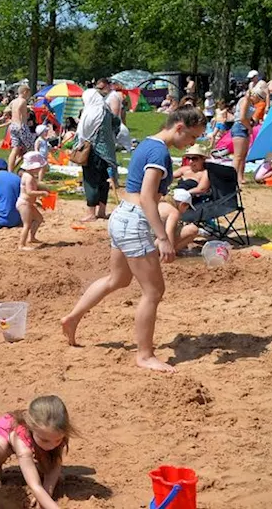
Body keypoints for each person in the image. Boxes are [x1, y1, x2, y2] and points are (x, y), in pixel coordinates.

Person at [61, 107, 207, 373]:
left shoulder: (149, 144)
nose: (191, 144)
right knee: (153, 292)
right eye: (192, 137)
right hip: (134, 221)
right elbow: (147, 198)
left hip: (123, 217)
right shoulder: (159, 152)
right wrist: (162, 237)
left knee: (117, 280)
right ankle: (145, 355)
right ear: (179, 127)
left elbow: (140, 192)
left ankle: (73, 317)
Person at [0, 395, 76, 509]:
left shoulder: (57, 432)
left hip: (33, 442)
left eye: (58, 440)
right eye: (45, 440)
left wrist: (46, 493)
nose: (52, 445)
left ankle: (41, 462)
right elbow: (35, 485)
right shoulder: (22, 440)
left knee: (49, 465)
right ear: (31, 428)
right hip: (2, 437)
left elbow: (56, 463)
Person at [78, 87, 119, 222]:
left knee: (91, 181)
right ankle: (102, 211)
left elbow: (83, 134)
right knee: (104, 181)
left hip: (92, 152)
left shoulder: (90, 112)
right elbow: (117, 123)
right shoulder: (105, 110)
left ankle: (91, 213)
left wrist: (78, 145)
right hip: (107, 152)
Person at [17, 152, 50, 250]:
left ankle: (32, 238)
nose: (39, 169)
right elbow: (29, 192)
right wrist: (42, 193)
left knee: (39, 219)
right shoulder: (29, 177)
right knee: (27, 224)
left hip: (29, 203)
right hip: (24, 203)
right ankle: (21, 245)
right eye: (38, 167)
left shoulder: (29, 175)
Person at [232, 86, 261, 184]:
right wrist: (250, 128)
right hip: (240, 127)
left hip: (245, 127)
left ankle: (240, 177)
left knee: (243, 156)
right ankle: (233, 178)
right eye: (259, 98)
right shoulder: (245, 101)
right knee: (238, 156)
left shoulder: (250, 103)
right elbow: (242, 117)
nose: (259, 101)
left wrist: (252, 122)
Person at [159, 188, 200, 252]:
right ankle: (169, 253)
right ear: (182, 204)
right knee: (193, 229)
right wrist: (170, 250)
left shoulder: (159, 204)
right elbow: (169, 233)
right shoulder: (173, 212)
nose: (186, 211)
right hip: (154, 246)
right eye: (187, 207)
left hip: (143, 243)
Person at [3, 85, 33, 172]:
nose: (28, 96)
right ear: (24, 92)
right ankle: (29, 168)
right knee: (30, 148)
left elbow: (6, 110)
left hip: (12, 126)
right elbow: (20, 108)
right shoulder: (23, 101)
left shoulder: (13, 101)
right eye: (28, 94)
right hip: (21, 126)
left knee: (15, 149)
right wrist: (21, 114)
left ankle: (10, 170)